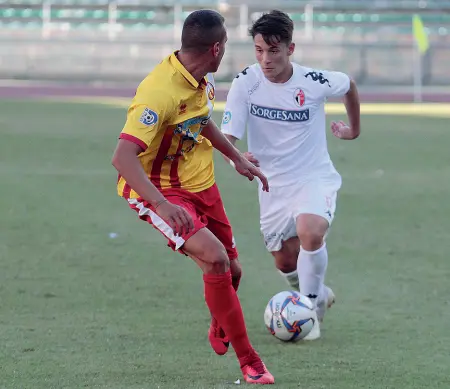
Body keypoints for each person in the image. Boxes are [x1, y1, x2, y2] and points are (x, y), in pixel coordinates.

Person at [111, 9, 274, 385]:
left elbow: (201, 122)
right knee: (216, 260)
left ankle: (221, 324)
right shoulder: (158, 92)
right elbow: (122, 157)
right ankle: (250, 362)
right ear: (215, 48)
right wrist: (163, 206)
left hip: (201, 185)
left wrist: (236, 159)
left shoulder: (203, 79)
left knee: (233, 272)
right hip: (160, 191)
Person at [221, 10, 361, 340]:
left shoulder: (312, 82)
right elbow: (227, 139)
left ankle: (311, 309)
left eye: (273, 51)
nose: (265, 59)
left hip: (313, 175)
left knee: (310, 231)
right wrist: (237, 159)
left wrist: (353, 129)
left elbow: (349, 85)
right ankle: (314, 290)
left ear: (290, 49)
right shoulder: (246, 83)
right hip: (271, 184)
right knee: (284, 261)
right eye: (259, 50)